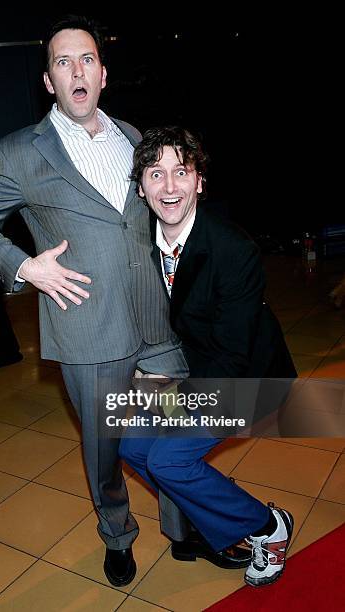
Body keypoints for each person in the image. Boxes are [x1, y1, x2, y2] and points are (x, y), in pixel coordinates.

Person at [0, 15, 194, 587]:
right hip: (88, 330)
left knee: (175, 434)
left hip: (157, 323)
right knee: (105, 448)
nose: (76, 70)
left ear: (103, 73)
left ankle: (184, 529)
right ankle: (117, 535)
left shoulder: (136, 138)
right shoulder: (19, 152)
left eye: (85, 58)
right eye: (63, 62)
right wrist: (24, 266)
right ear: (49, 81)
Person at [120, 126, 297, 587]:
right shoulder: (142, 242)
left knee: (168, 462)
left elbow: (233, 359)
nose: (170, 186)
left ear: (199, 181)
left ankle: (267, 526)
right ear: (141, 188)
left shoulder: (232, 248)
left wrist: (176, 410)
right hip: (199, 373)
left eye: (182, 172)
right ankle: (215, 505)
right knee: (130, 445)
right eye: (156, 174)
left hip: (250, 381)